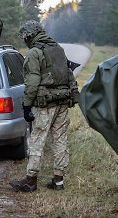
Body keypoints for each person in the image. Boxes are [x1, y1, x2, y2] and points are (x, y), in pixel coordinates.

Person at [9, 20, 78, 192]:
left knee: (37, 141)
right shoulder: (58, 48)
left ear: (29, 36)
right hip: (62, 102)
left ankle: (30, 180)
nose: (25, 40)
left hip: (44, 105)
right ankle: (58, 180)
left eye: (25, 37)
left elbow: (32, 82)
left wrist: (26, 105)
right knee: (60, 140)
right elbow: (69, 74)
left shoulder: (34, 52)